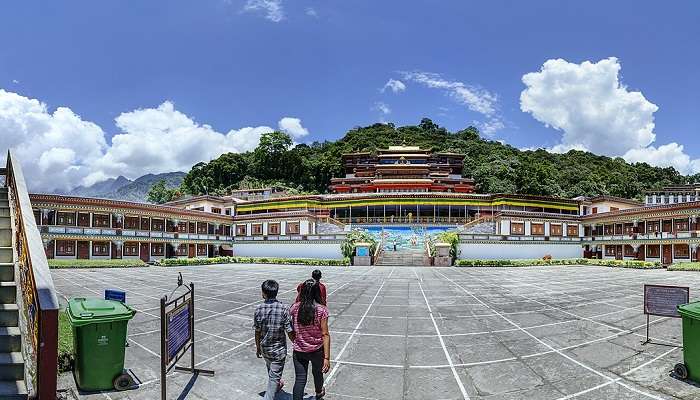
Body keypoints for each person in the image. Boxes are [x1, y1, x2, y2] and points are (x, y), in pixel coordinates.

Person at [290, 280, 331, 400]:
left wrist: (294, 340)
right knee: (317, 373)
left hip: (299, 351)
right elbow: (325, 334)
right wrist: (327, 358)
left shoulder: (294, 308)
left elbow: (288, 327)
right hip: (316, 350)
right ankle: (319, 392)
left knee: (300, 379)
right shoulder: (321, 310)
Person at [254, 280, 295, 400]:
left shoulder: (258, 309)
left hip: (265, 348)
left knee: (270, 368)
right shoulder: (283, 308)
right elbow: (289, 330)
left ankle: (277, 385)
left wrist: (257, 347)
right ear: (276, 292)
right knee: (273, 377)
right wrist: (297, 343)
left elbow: (257, 331)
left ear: (263, 293)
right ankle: (271, 392)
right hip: (278, 351)